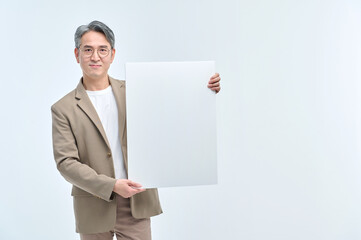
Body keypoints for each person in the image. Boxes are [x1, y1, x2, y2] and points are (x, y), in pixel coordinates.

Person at [51, 20, 221, 240]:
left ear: (112, 54)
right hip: (93, 205)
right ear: (77, 54)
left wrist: (204, 90)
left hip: (136, 202)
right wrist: (112, 185)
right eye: (88, 50)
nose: (95, 57)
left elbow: (173, 111)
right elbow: (66, 164)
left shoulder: (137, 91)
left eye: (102, 50)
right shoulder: (63, 108)